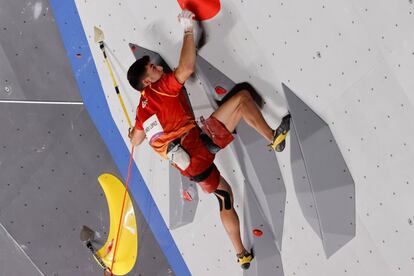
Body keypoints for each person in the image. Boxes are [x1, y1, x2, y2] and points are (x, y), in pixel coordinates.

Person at [126, 9, 290, 270]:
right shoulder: (159, 89)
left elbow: (136, 140)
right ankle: (273, 137)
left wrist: (132, 133)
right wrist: (188, 28)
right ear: (147, 80)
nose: (159, 67)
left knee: (224, 195)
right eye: (153, 68)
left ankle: (241, 254)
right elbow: (187, 67)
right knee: (242, 99)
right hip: (197, 148)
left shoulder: (142, 110)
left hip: (189, 167)